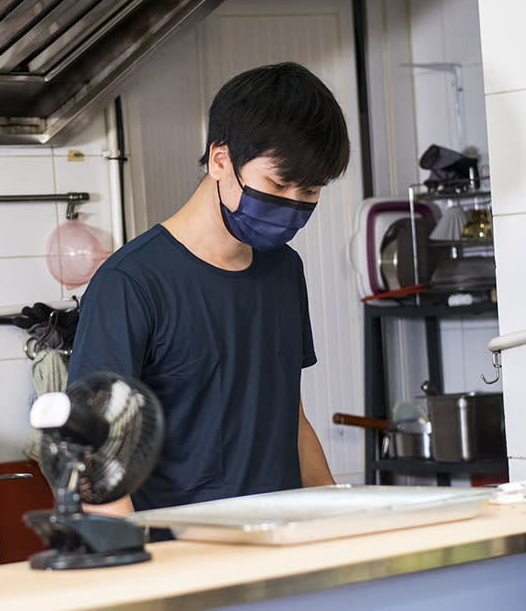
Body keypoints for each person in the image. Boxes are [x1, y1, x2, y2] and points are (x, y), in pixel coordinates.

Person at [67, 62, 349, 516]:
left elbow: (290, 421)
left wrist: (339, 524)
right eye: (278, 184)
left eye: (311, 192)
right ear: (221, 159)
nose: (294, 205)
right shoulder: (131, 284)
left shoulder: (284, 271)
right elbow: (97, 464)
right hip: (180, 557)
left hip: (280, 547)